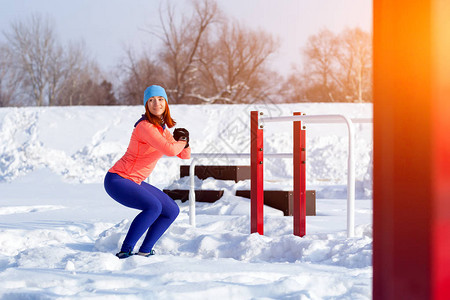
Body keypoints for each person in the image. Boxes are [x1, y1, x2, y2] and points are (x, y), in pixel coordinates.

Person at [104, 85, 190, 259]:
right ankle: (125, 251)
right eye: (151, 100)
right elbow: (170, 150)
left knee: (171, 210)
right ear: (146, 105)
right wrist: (181, 141)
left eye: (159, 99)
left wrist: (185, 142)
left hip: (133, 181)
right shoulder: (145, 127)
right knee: (153, 206)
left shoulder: (162, 128)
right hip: (118, 180)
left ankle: (145, 250)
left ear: (165, 102)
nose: (156, 103)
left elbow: (183, 155)